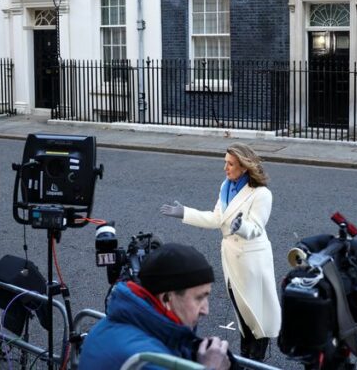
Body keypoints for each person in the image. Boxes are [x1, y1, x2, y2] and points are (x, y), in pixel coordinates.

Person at [160, 143, 281, 361]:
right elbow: (217, 219)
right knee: (242, 312)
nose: (225, 167)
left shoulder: (261, 194)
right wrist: (184, 212)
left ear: (244, 167)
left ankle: (256, 358)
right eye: (225, 162)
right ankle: (247, 355)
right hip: (232, 260)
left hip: (252, 261)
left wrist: (240, 227)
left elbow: (255, 228)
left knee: (257, 314)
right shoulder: (226, 186)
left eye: (230, 164)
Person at [79, 243, 231, 370]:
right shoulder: (148, 361)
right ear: (166, 298)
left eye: (207, 296)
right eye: (199, 298)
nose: (206, 310)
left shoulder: (114, 324)